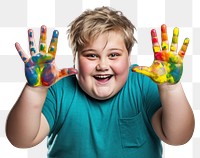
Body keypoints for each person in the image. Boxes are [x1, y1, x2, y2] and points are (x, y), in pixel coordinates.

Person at [6, 6, 194, 158]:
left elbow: (178, 137)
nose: (102, 65)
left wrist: (171, 88)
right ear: (75, 59)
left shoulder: (143, 84)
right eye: (91, 55)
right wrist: (35, 90)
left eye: (113, 55)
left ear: (128, 58)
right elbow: (21, 140)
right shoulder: (58, 90)